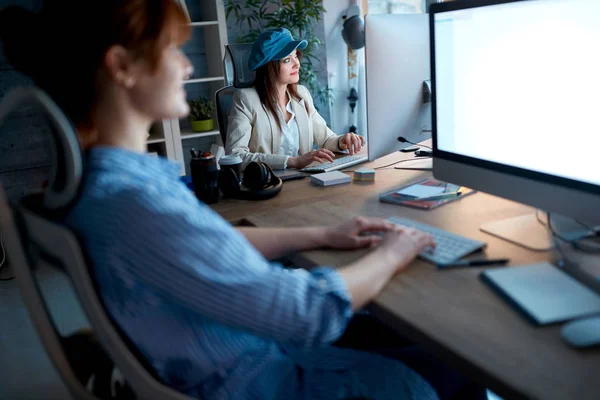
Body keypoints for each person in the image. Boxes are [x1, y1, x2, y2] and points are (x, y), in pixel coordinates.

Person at [0, 2, 487, 399]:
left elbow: (207, 243)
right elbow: (302, 312)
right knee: (461, 356)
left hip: (249, 347)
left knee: (428, 339)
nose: (189, 64)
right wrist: (393, 252)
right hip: (269, 375)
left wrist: (324, 233)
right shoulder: (136, 203)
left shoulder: (115, 186)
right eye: (174, 49)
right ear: (122, 66)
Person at [225, 28, 366, 170]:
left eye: (296, 56)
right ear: (269, 67)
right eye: (287, 60)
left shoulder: (302, 94)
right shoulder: (246, 99)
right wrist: (292, 161)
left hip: (303, 179)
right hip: (269, 183)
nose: (297, 63)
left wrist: (342, 141)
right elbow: (236, 155)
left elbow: (326, 138)